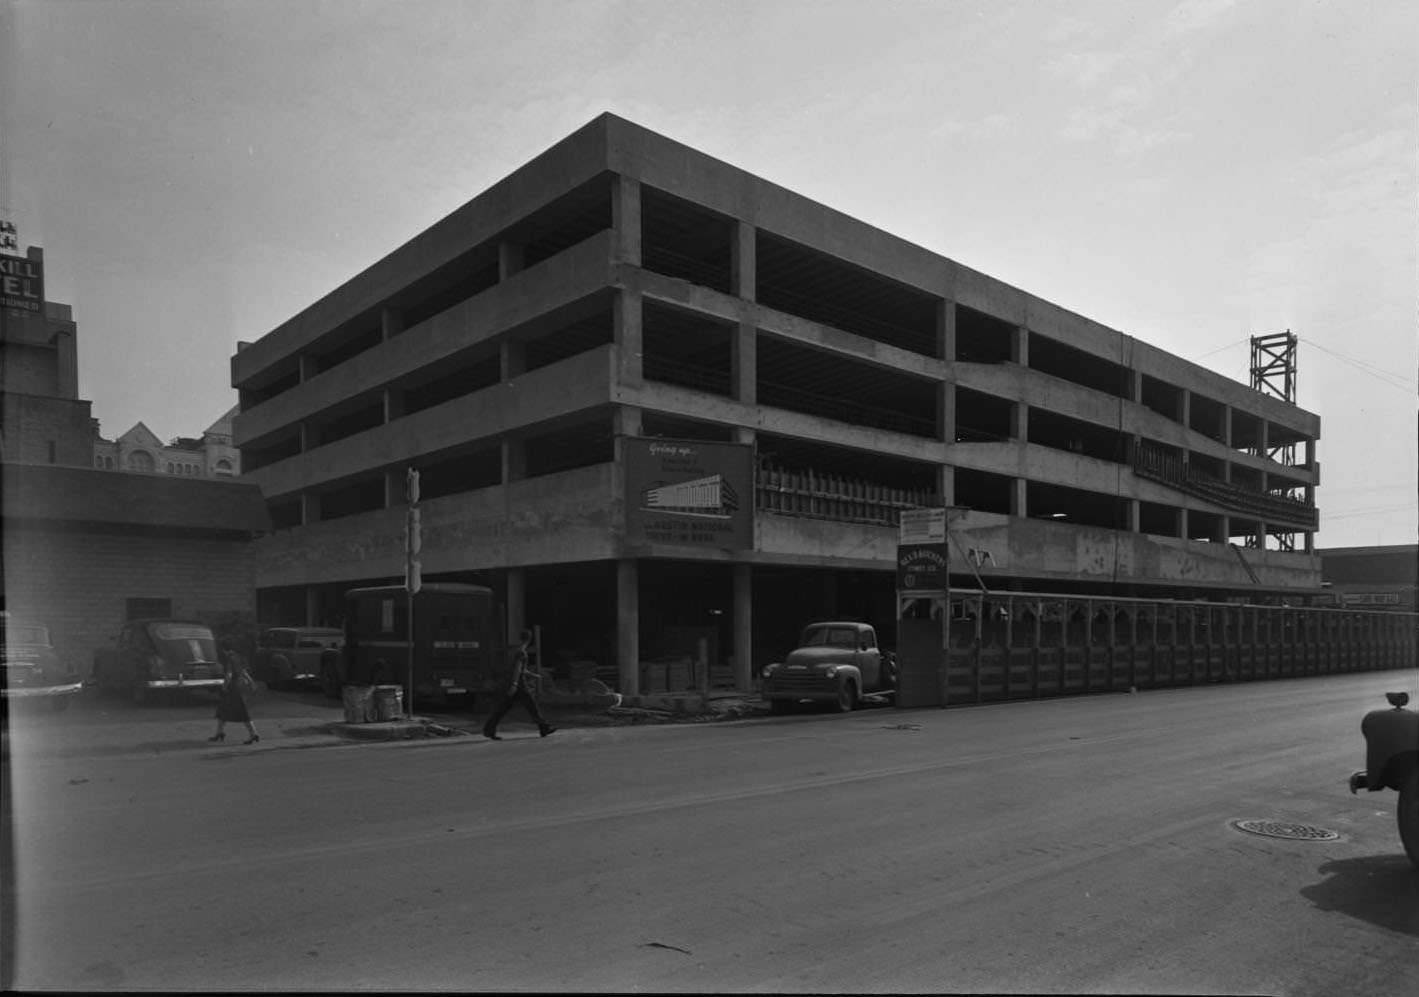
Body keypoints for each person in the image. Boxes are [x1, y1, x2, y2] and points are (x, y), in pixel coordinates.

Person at [483, 628, 555, 740]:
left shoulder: (514, 651)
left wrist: (534, 676)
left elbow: (522, 669)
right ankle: (544, 727)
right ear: (530, 640)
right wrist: (515, 684)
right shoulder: (522, 653)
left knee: (503, 708)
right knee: (532, 707)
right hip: (520, 685)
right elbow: (518, 669)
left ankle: (489, 729)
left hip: (511, 684)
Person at [211, 638, 260, 745]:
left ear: (223, 649)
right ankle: (219, 733)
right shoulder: (238, 656)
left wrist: (224, 687)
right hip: (241, 685)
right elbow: (243, 671)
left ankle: (253, 734)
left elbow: (229, 675)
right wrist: (251, 682)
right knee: (223, 709)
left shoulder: (229, 659)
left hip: (233, 688)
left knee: (242, 711)